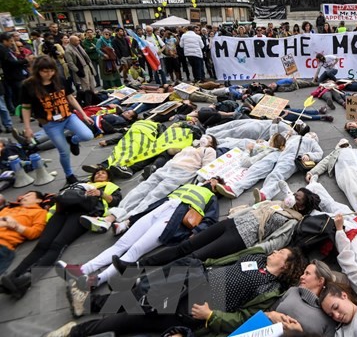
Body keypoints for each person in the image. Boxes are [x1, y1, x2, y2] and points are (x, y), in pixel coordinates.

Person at [52, 247, 307, 336]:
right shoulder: (258, 257)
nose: (275, 252)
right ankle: (85, 305)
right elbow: (227, 261)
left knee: (130, 319)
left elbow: (245, 318)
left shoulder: (271, 290)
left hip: (199, 308)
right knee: (134, 301)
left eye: (281, 253)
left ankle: (75, 329)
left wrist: (211, 316)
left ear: (286, 266)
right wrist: (202, 266)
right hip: (191, 281)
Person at [56, 183, 218, 290]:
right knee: (120, 245)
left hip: (174, 219)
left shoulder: (212, 198)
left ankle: (97, 280)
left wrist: (195, 233)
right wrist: (131, 219)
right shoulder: (187, 185)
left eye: (216, 180)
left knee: (135, 250)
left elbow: (211, 219)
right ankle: (83, 269)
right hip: (159, 210)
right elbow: (158, 201)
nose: (211, 179)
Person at [113, 194, 318, 271]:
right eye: (295, 193)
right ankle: (136, 265)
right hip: (230, 223)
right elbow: (255, 208)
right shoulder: (278, 203)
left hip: (240, 239)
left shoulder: (292, 222)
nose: (292, 197)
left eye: (297, 198)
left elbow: (275, 242)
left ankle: (144, 279)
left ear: (301, 207)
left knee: (194, 257)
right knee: (185, 246)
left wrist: (253, 250)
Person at [0, 169, 121, 299]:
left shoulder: (110, 186)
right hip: (61, 212)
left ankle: (27, 278)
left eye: (103, 173)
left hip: (81, 213)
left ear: (108, 178)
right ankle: (13, 276)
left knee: (57, 244)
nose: (99, 174)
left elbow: (115, 200)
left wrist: (100, 193)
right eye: (97, 173)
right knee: (42, 244)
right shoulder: (80, 183)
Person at [80, 135, 217, 234]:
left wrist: (198, 184)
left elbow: (207, 168)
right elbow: (172, 154)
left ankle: (128, 221)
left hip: (182, 173)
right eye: (204, 136)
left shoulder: (209, 151)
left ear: (211, 143)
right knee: (139, 191)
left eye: (208, 138)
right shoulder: (189, 147)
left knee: (153, 196)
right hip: (166, 169)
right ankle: (110, 218)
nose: (204, 138)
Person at [21, 56, 95, 185]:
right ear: (37, 70)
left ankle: (73, 140)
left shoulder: (60, 80)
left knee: (87, 135)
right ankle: (69, 174)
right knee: (64, 151)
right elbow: (26, 107)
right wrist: (27, 127)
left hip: (68, 116)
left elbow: (70, 98)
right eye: (45, 71)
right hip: (50, 123)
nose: (49, 74)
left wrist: (83, 114)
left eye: (51, 70)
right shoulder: (29, 85)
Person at [306, 138, 357, 214]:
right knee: (355, 191)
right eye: (342, 144)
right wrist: (312, 172)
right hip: (347, 170)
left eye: (346, 144)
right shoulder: (335, 153)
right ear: (337, 146)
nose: (344, 144)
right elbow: (324, 163)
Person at [266, 260, 337, 335]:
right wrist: (271, 315)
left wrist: (298, 334)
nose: (301, 277)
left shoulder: (329, 314)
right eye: (303, 273)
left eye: (307, 273)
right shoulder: (292, 291)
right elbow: (268, 311)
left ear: (320, 281)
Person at [0, 191, 47, 275]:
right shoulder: (8, 208)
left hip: (3, 245)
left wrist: (16, 226)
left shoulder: (39, 212)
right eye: (23, 195)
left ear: (38, 200)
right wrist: (5, 219)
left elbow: (35, 232)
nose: (24, 197)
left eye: (29, 195)